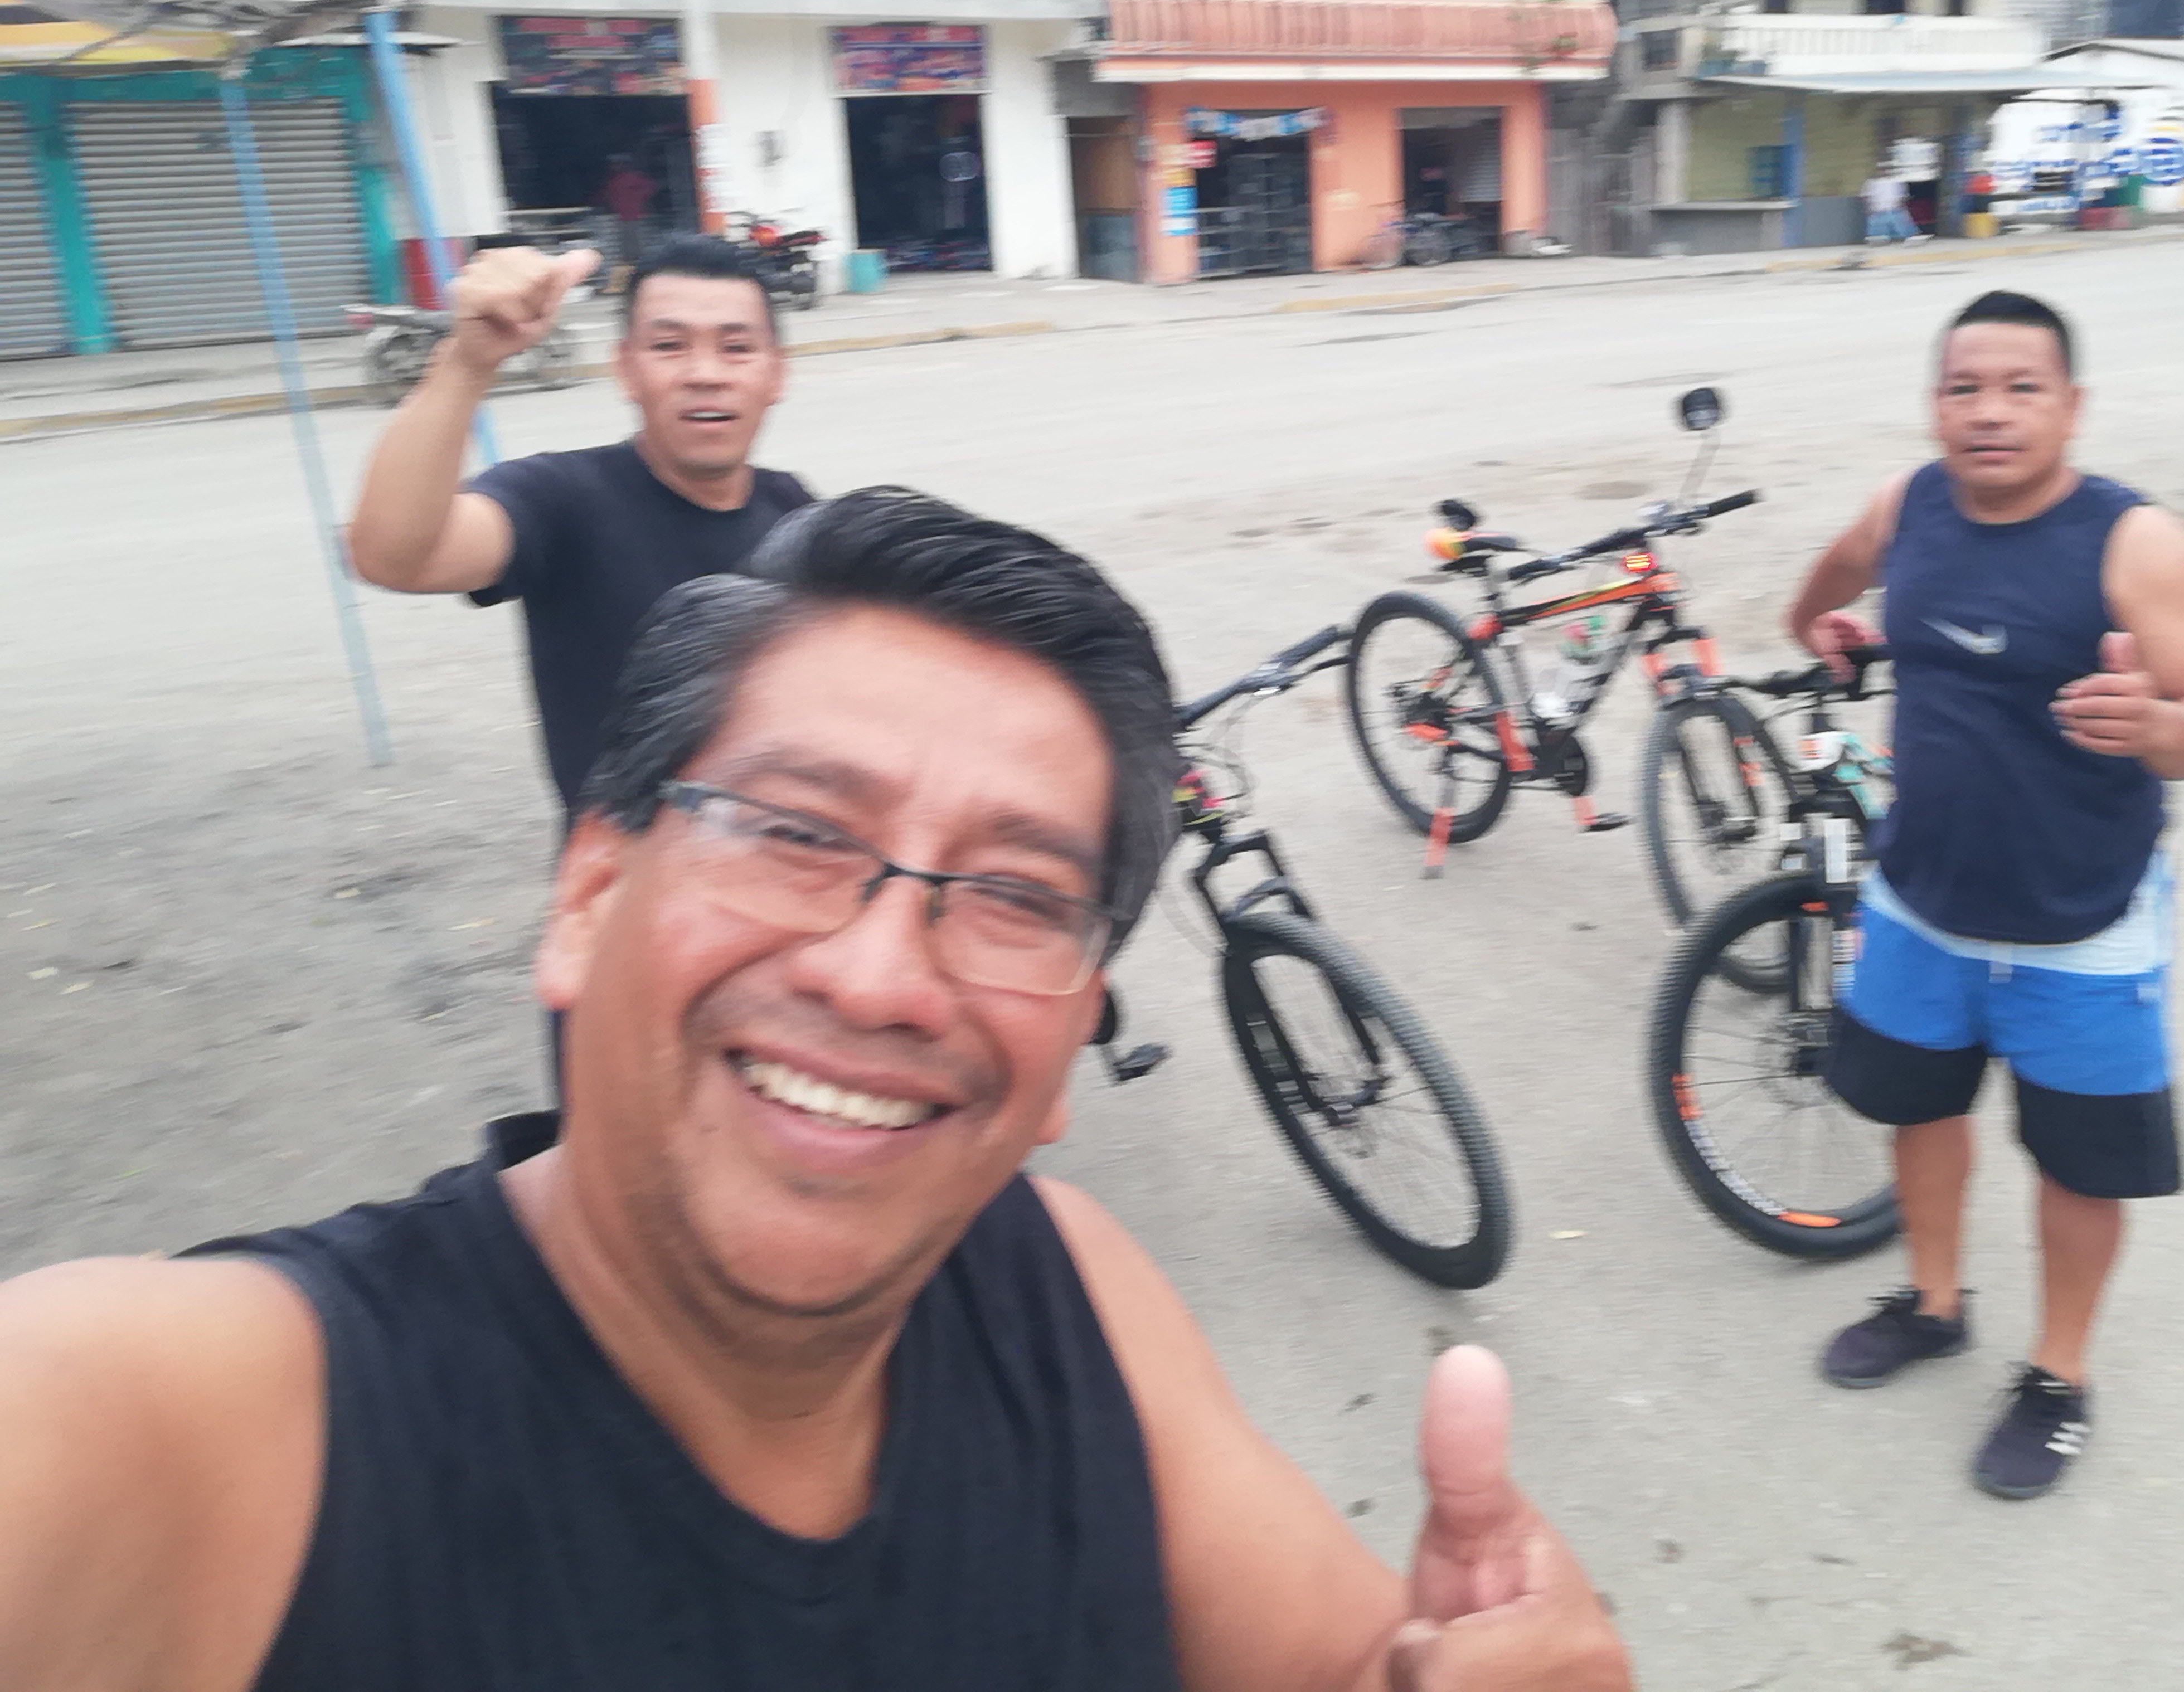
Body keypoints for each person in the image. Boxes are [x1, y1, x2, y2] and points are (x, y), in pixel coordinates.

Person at [0, 489, 1632, 1692]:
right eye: (794, 831)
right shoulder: (189, 1432)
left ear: (1073, 1043)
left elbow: (1352, 1660)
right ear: (587, 898)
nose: (877, 976)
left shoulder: (1073, 1295)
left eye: (1015, 895)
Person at [1786, 290, 2184, 1500]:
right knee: (1920, 1114)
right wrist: (1815, 621)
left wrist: (2156, 726)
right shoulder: (1909, 505)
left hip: (2082, 924)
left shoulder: (2135, 543)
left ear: (2070, 406)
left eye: (2020, 388)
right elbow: (1835, 572)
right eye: (1964, 389)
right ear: (1935, 404)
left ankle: (2059, 1375)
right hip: (1918, 902)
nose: (1989, 413)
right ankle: (1935, 1303)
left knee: (2079, 1167)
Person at [347, 232, 814, 818]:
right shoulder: (563, 499)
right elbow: (393, 555)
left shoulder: (797, 514)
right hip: (622, 874)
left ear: (777, 375)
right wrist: (467, 364)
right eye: (669, 346)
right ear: (626, 370)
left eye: (737, 348)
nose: (704, 373)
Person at [598, 153, 657, 280]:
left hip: (636, 216)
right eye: (613, 164)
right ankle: (633, 271)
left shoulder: (634, 177)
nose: (614, 167)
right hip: (623, 217)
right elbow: (607, 196)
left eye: (617, 164)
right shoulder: (614, 180)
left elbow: (650, 188)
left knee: (639, 244)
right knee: (627, 246)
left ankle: (644, 270)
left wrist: (637, 199)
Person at [1861, 168, 1918, 245]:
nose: (1884, 172)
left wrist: (1901, 206)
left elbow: (1902, 196)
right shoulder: (1871, 183)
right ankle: (1878, 241)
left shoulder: (1896, 182)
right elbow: (1866, 197)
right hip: (1878, 211)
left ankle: (1911, 239)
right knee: (1877, 233)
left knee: (1906, 229)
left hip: (1894, 210)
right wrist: (1869, 208)